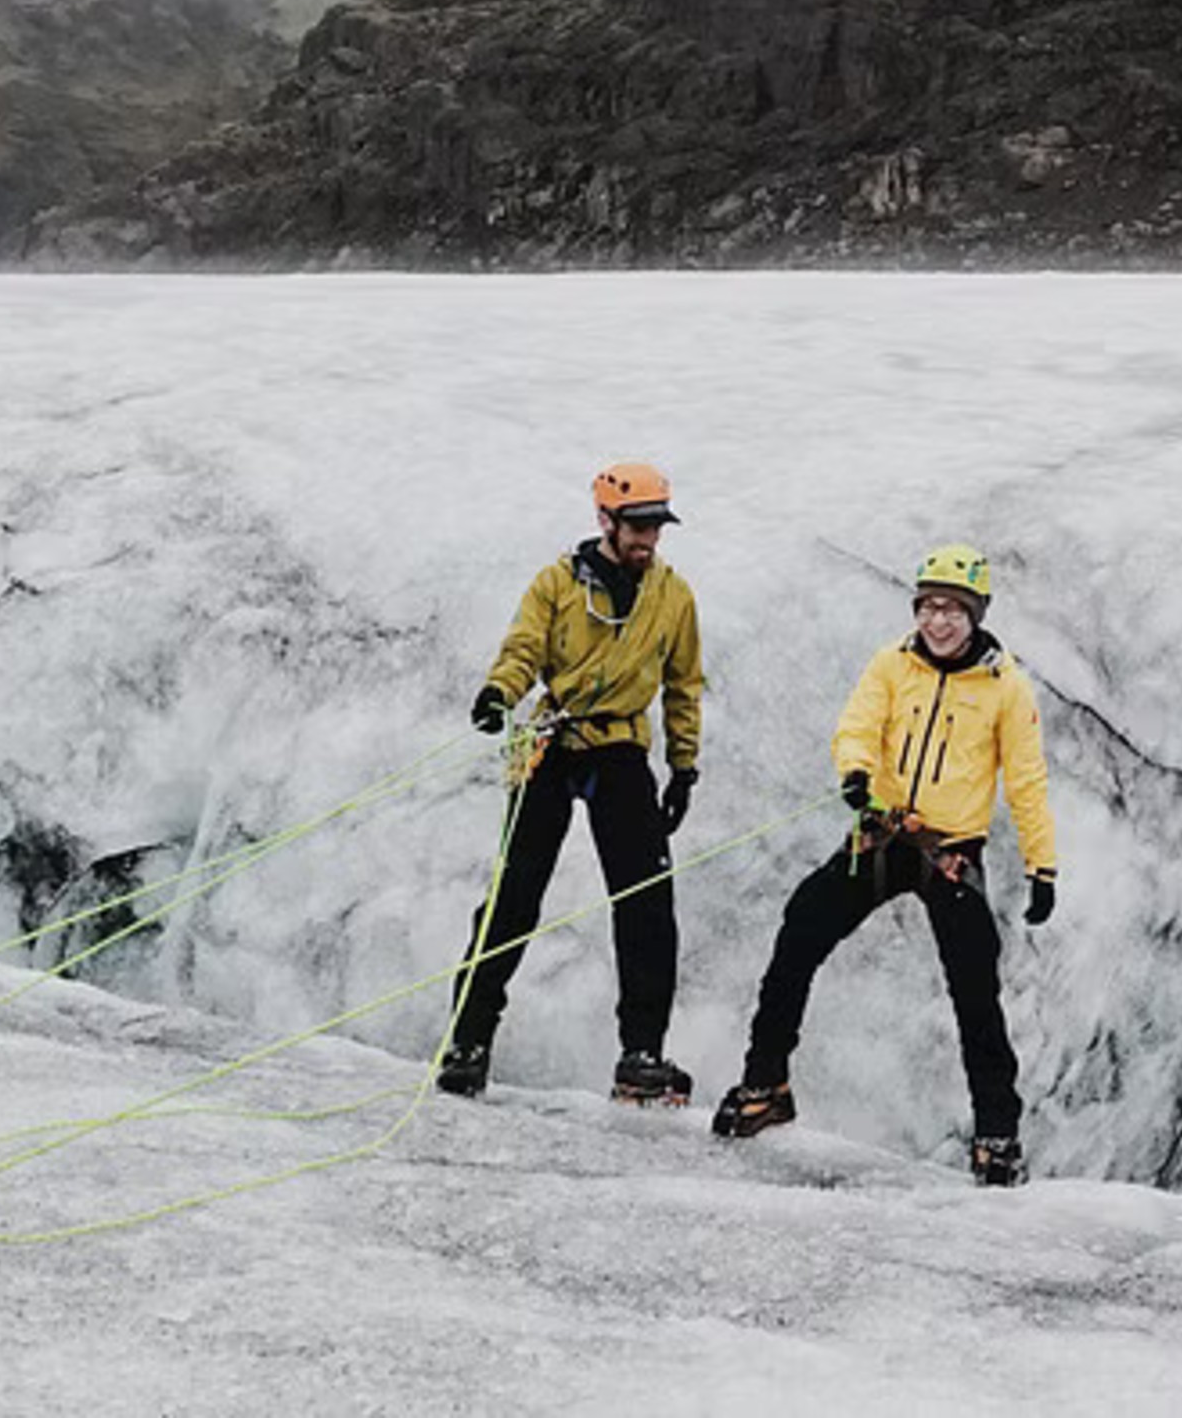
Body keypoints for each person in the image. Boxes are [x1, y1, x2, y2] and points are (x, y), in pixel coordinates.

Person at [712, 544, 1060, 1188]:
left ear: (976, 614)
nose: (938, 621)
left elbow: (1027, 780)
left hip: (950, 853)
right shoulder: (892, 664)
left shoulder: (1005, 687)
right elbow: (859, 726)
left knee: (974, 991)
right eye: (928, 607)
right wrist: (856, 772)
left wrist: (1043, 866)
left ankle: (998, 1135)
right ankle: (765, 1083)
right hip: (883, 834)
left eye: (952, 610)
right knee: (800, 929)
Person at [441, 462, 706, 1105]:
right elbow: (524, 649)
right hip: (552, 744)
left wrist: (683, 767)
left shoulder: (674, 595)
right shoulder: (557, 584)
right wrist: (500, 692)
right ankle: (468, 1043)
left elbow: (684, 684)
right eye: (638, 526)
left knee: (645, 902)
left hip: (620, 749)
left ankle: (641, 1054)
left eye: (656, 527)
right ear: (606, 521)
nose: (648, 539)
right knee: (514, 897)